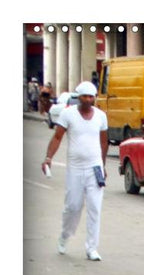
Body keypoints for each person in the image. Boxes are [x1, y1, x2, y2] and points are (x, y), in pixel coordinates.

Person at [42, 81, 108, 261]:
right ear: (78, 97)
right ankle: (64, 236)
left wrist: (103, 166)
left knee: (95, 207)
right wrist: (48, 158)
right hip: (76, 169)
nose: (88, 99)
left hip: (95, 168)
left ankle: (92, 248)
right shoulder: (68, 114)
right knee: (73, 207)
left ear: (95, 98)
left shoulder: (101, 116)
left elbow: (103, 142)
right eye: (85, 96)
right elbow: (57, 137)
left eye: (91, 96)